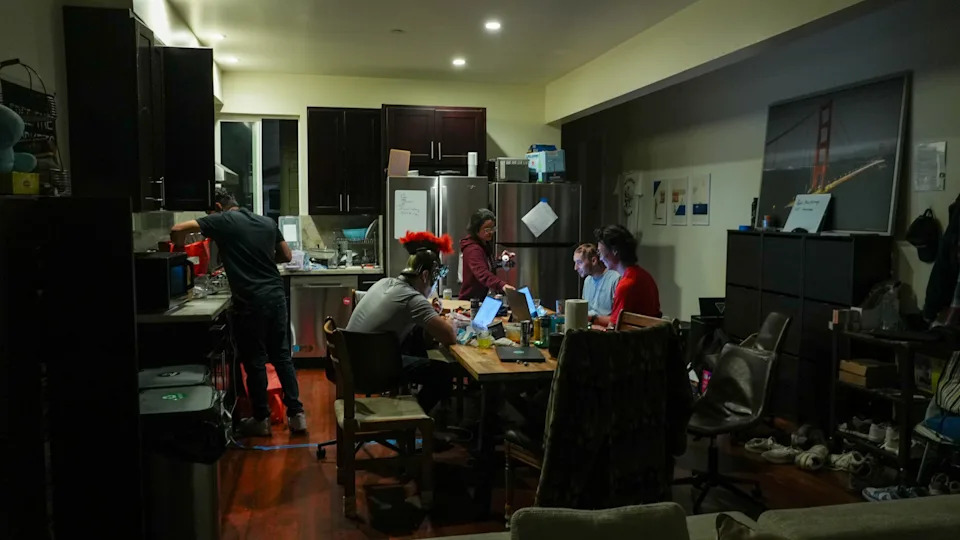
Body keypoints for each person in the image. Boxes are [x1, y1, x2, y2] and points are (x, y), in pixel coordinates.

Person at [170, 190, 306, 437]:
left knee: (255, 361)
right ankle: (297, 416)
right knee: (282, 356)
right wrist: (260, 260)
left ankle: (262, 419)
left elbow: (178, 228)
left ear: (219, 207)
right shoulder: (266, 222)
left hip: (251, 301)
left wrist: (177, 252)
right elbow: (285, 255)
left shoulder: (222, 220)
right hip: (276, 296)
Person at [347, 231, 457, 415]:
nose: (432, 286)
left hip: (350, 362)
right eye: (433, 280)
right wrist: (450, 322)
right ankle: (415, 420)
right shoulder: (412, 298)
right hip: (371, 371)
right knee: (443, 373)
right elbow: (449, 336)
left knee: (415, 339)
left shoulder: (384, 283)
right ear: (424, 276)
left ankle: (416, 412)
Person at [593, 224, 661, 327]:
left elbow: (613, 331)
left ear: (615, 250)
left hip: (630, 341)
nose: (600, 258)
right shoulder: (645, 276)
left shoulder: (625, 286)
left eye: (600, 252)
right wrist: (592, 319)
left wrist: (590, 327)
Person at [459, 208, 516, 300]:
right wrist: (502, 285)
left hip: (481, 299)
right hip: (470, 302)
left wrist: (501, 260)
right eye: (487, 229)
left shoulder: (483, 243)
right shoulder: (472, 249)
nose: (491, 232)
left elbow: (485, 264)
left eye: (493, 228)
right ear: (476, 229)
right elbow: (482, 273)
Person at [573, 243, 620, 319]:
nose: (575, 268)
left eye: (579, 263)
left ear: (594, 260)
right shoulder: (587, 281)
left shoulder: (615, 279)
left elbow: (617, 318)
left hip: (606, 328)